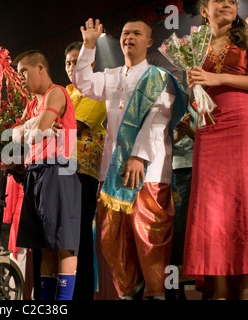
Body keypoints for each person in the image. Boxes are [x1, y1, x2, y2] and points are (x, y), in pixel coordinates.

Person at [73, 18, 188, 300]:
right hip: (112, 170)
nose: (129, 37)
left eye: (137, 33)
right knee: (111, 238)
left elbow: (157, 119)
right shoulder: (111, 75)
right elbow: (83, 83)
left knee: (149, 236)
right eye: (125, 33)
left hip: (148, 170)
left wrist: (138, 155)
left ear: (149, 42)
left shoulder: (159, 77)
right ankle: (127, 293)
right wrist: (89, 46)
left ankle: (156, 293)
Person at [183, 0, 248, 300]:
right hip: (209, 131)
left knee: (241, 208)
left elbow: (218, 80)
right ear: (204, 10)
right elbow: (200, 90)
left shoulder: (247, 35)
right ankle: (220, 293)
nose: (227, 4)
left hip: (242, 127)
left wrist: (216, 78)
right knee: (214, 214)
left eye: (232, 1)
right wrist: (196, 86)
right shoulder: (196, 44)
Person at [12, 49, 81, 300]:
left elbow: (34, 133)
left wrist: (31, 127)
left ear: (40, 68)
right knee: (45, 247)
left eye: (23, 72)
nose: (20, 78)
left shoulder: (56, 92)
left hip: (58, 169)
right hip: (35, 172)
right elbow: (15, 136)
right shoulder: (33, 104)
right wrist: (31, 126)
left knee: (64, 244)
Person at [64, 41, 107, 300]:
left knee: (79, 238)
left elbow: (73, 126)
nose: (72, 66)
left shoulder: (96, 90)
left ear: (90, 63)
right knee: (61, 239)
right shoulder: (65, 94)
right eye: (68, 62)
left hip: (83, 173)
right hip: (58, 171)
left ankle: (82, 296)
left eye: (76, 61)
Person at [166, 108, 196, 301]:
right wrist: (176, 137)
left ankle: (207, 285)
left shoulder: (198, 101)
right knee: (174, 230)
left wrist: (191, 133)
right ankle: (175, 288)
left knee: (192, 229)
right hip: (172, 169)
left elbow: (211, 136)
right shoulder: (164, 104)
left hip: (198, 166)